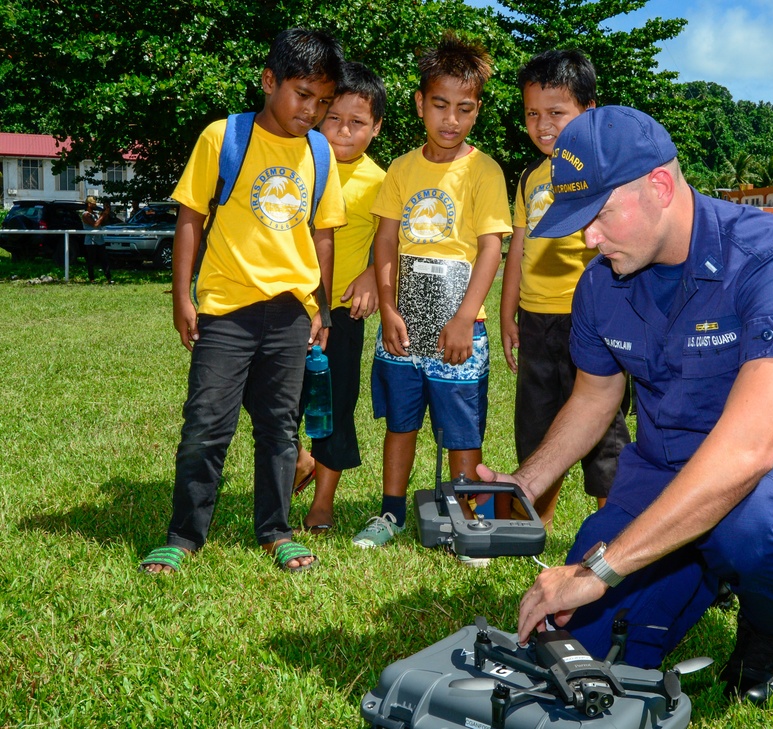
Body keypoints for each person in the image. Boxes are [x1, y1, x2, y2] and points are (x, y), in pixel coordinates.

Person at [477, 106, 773, 704]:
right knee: (579, 639)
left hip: (772, 471)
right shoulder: (601, 283)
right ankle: (697, 567)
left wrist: (600, 571)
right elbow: (594, 398)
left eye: (601, 216)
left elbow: (748, 451)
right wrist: (525, 483)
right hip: (661, 469)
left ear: (660, 186)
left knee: (756, 527)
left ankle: (772, 634)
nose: (589, 239)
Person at [139, 28, 346, 574]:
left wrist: (320, 309)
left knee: (279, 427)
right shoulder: (222, 137)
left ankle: (275, 529)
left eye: (323, 100)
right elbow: (191, 217)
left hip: (291, 311)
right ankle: (184, 535)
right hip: (225, 307)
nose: (312, 109)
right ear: (270, 81)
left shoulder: (320, 151)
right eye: (303, 94)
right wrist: (182, 297)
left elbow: (322, 234)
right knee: (207, 423)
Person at [353, 32, 512, 562]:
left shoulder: (484, 170)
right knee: (402, 422)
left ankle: (470, 520)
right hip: (402, 324)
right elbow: (385, 242)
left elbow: (491, 247)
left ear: (477, 112)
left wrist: (465, 318)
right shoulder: (400, 168)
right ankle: (390, 511)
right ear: (420, 103)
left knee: (462, 426)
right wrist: (390, 309)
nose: (451, 119)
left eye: (464, 110)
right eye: (440, 105)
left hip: (459, 325)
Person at [498, 50, 629, 528]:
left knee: (603, 434)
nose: (543, 124)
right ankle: (536, 526)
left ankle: (610, 525)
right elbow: (519, 249)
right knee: (535, 426)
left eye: (557, 112)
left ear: (589, 112)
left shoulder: (604, 174)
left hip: (590, 322)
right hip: (535, 321)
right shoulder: (529, 178)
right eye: (533, 113)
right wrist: (507, 313)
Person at [295, 61, 387, 535]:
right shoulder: (293, 162)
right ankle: (297, 458)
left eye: (357, 122)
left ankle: (324, 500)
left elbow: (397, 242)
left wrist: (373, 271)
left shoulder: (382, 181)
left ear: (376, 127)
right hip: (287, 304)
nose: (343, 131)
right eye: (334, 119)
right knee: (274, 399)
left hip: (342, 312)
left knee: (335, 405)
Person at [82, 196, 113, 283]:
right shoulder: (85, 215)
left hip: (100, 240)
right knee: (91, 261)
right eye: (93, 204)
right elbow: (95, 224)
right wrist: (103, 215)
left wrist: (106, 213)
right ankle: (92, 279)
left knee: (105, 260)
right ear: (89, 204)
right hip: (90, 241)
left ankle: (109, 279)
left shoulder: (95, 214)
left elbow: (102, 222)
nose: (95, 205)